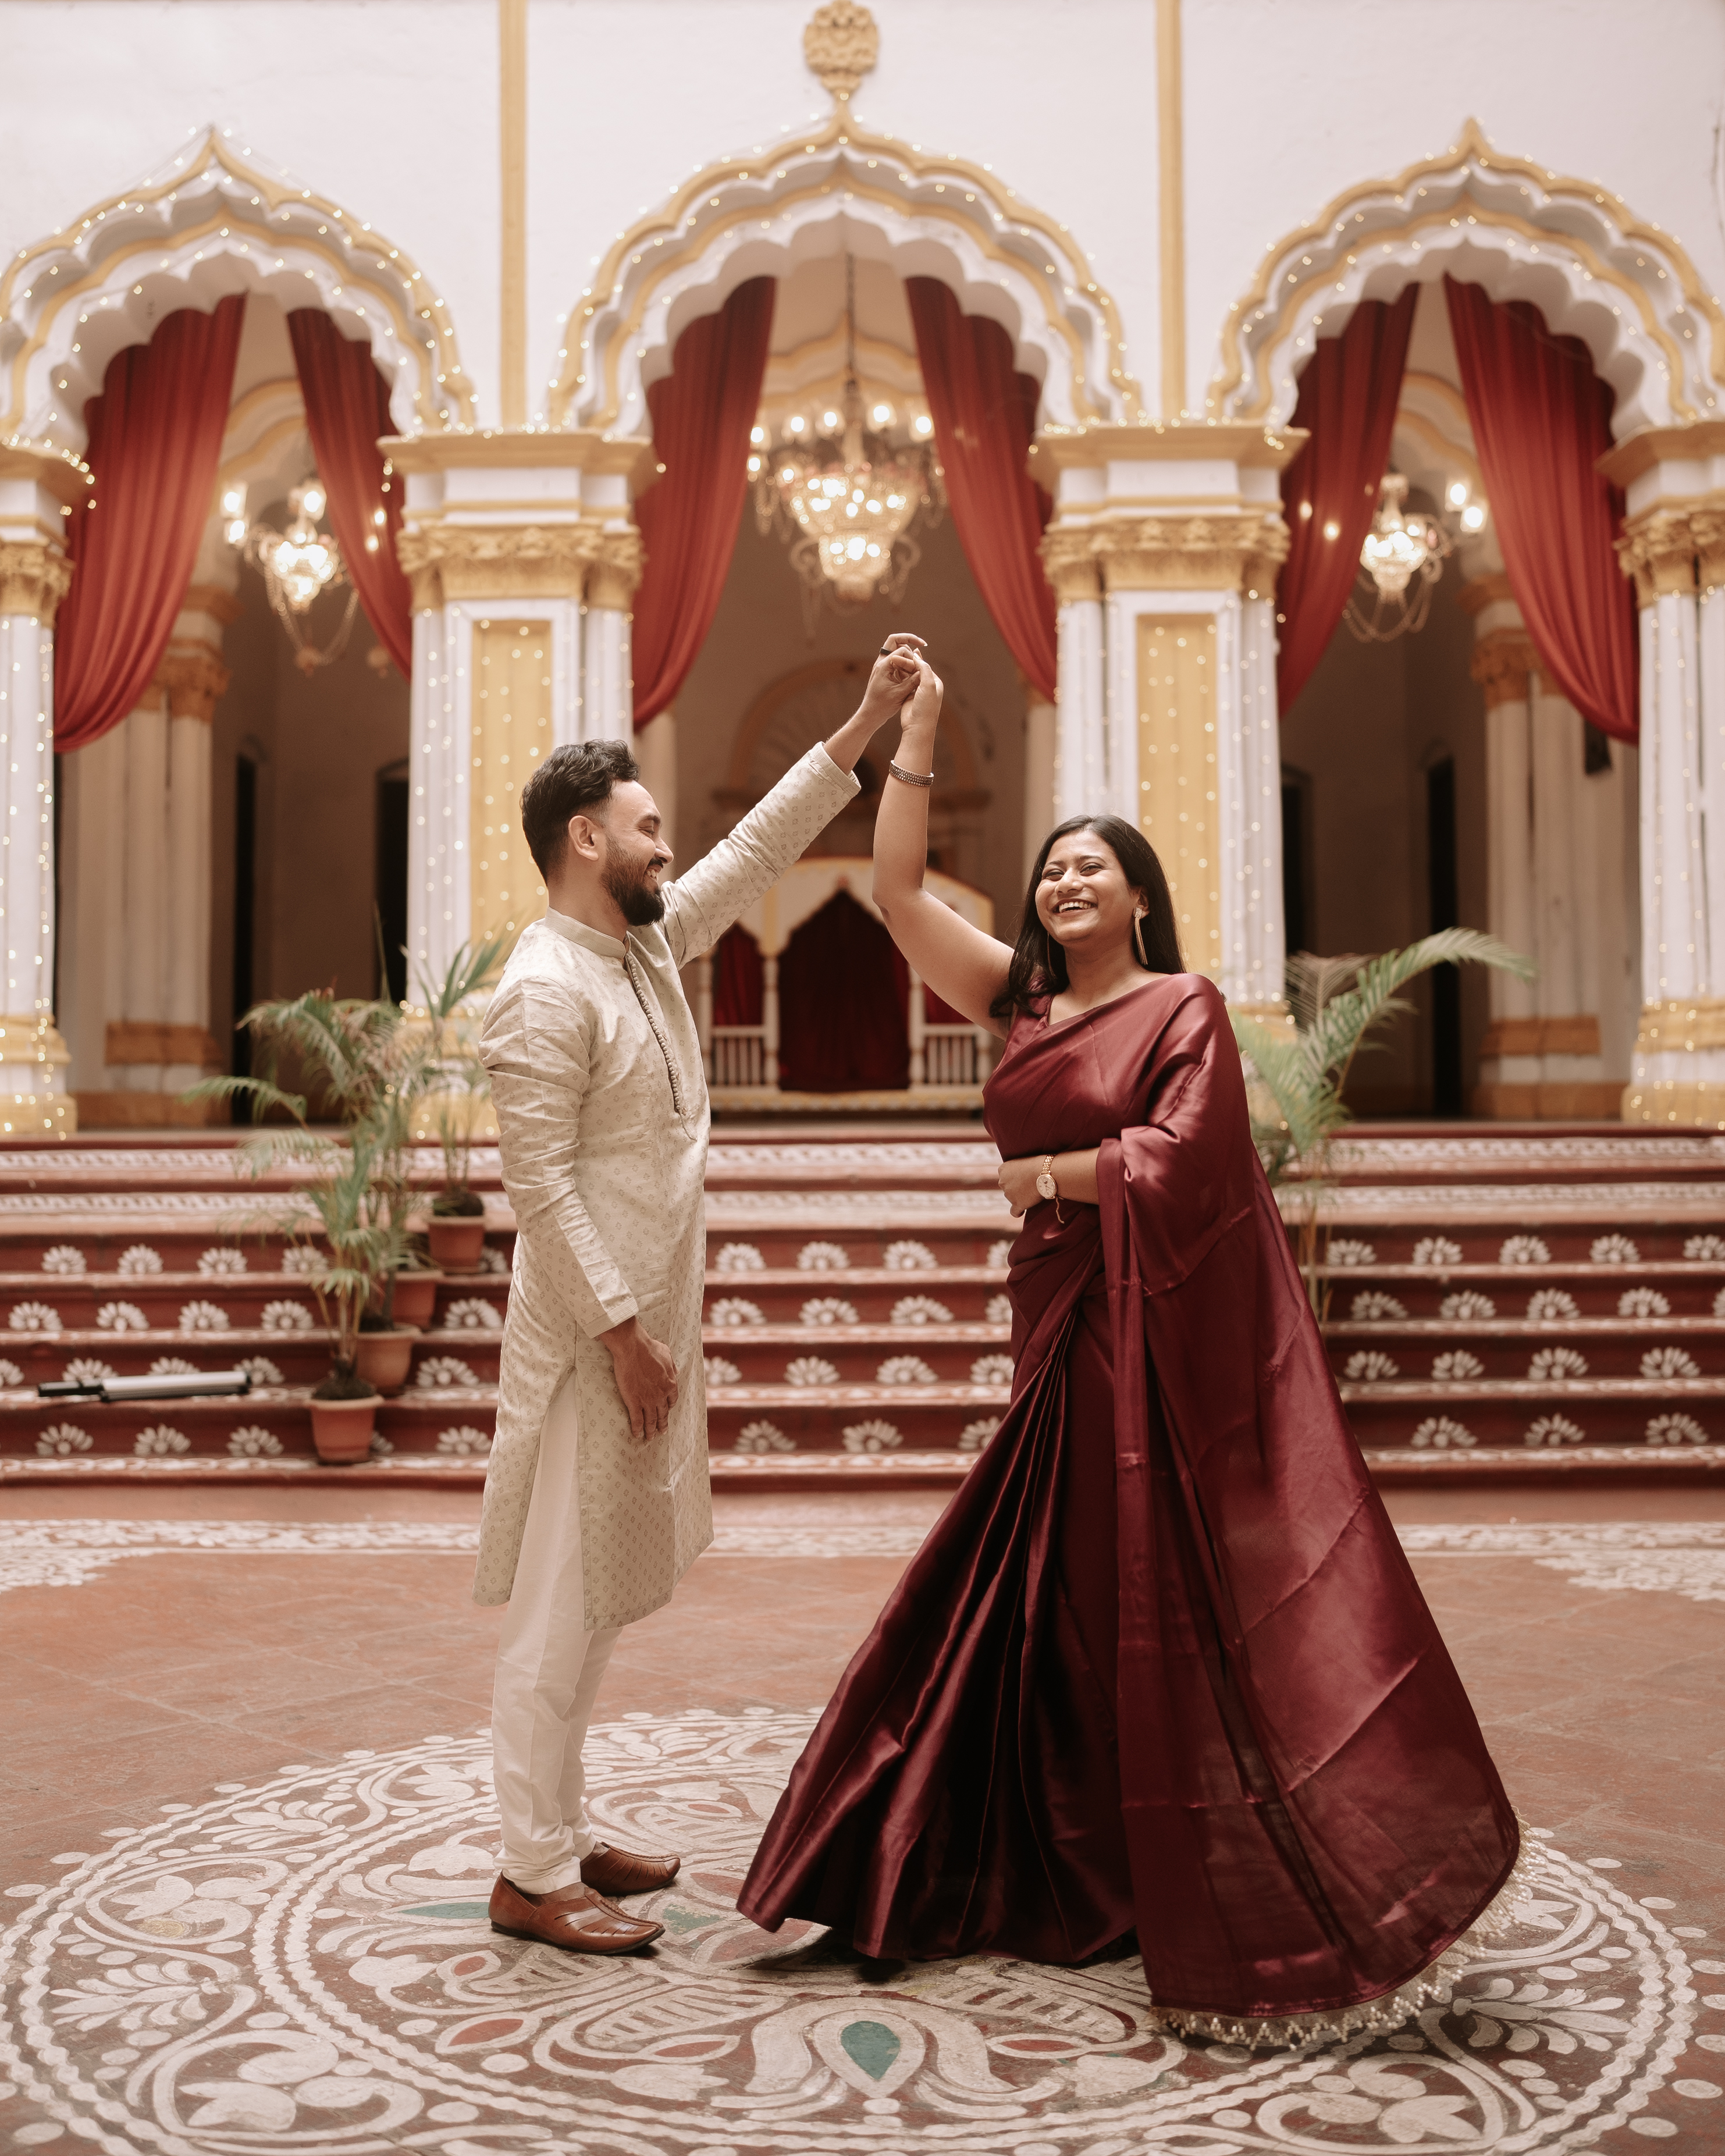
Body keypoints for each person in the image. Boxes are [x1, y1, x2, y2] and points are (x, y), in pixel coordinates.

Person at [738, 656, 1524, 2043]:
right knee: (1045, 1581)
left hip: (1134, 1326)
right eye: (1050, 868)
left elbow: (1184, 1161)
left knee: (1111, 1577)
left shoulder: (1184, 1009)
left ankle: (1158, 1853)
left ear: (1141, 894)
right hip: (1054, 1323)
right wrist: (917, 727)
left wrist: (1048, 1179)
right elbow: (904, 894)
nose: (1064, 882)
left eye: (1091, 867)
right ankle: (1030, 1851)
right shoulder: (1023, 1007)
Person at [474, 633, 926, 1956]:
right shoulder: (542, 989)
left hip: (644, 1336)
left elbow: (755, 852)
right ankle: (529, 1868)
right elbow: (542, 1191)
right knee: (559, 1606)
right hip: (586, 1346)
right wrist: (621, 1334)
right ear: (581, 840)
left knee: (600, 1594)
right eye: (646, 829)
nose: (669, 848)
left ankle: (558, 1823)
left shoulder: (641, 952)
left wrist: (860, 728)